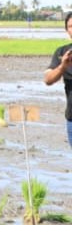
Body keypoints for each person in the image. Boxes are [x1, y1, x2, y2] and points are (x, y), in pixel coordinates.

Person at [42, 12, 72, 148]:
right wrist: (62, 66)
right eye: (71, 26)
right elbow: (48, 80)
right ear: (67, 30)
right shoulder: (62, 53)